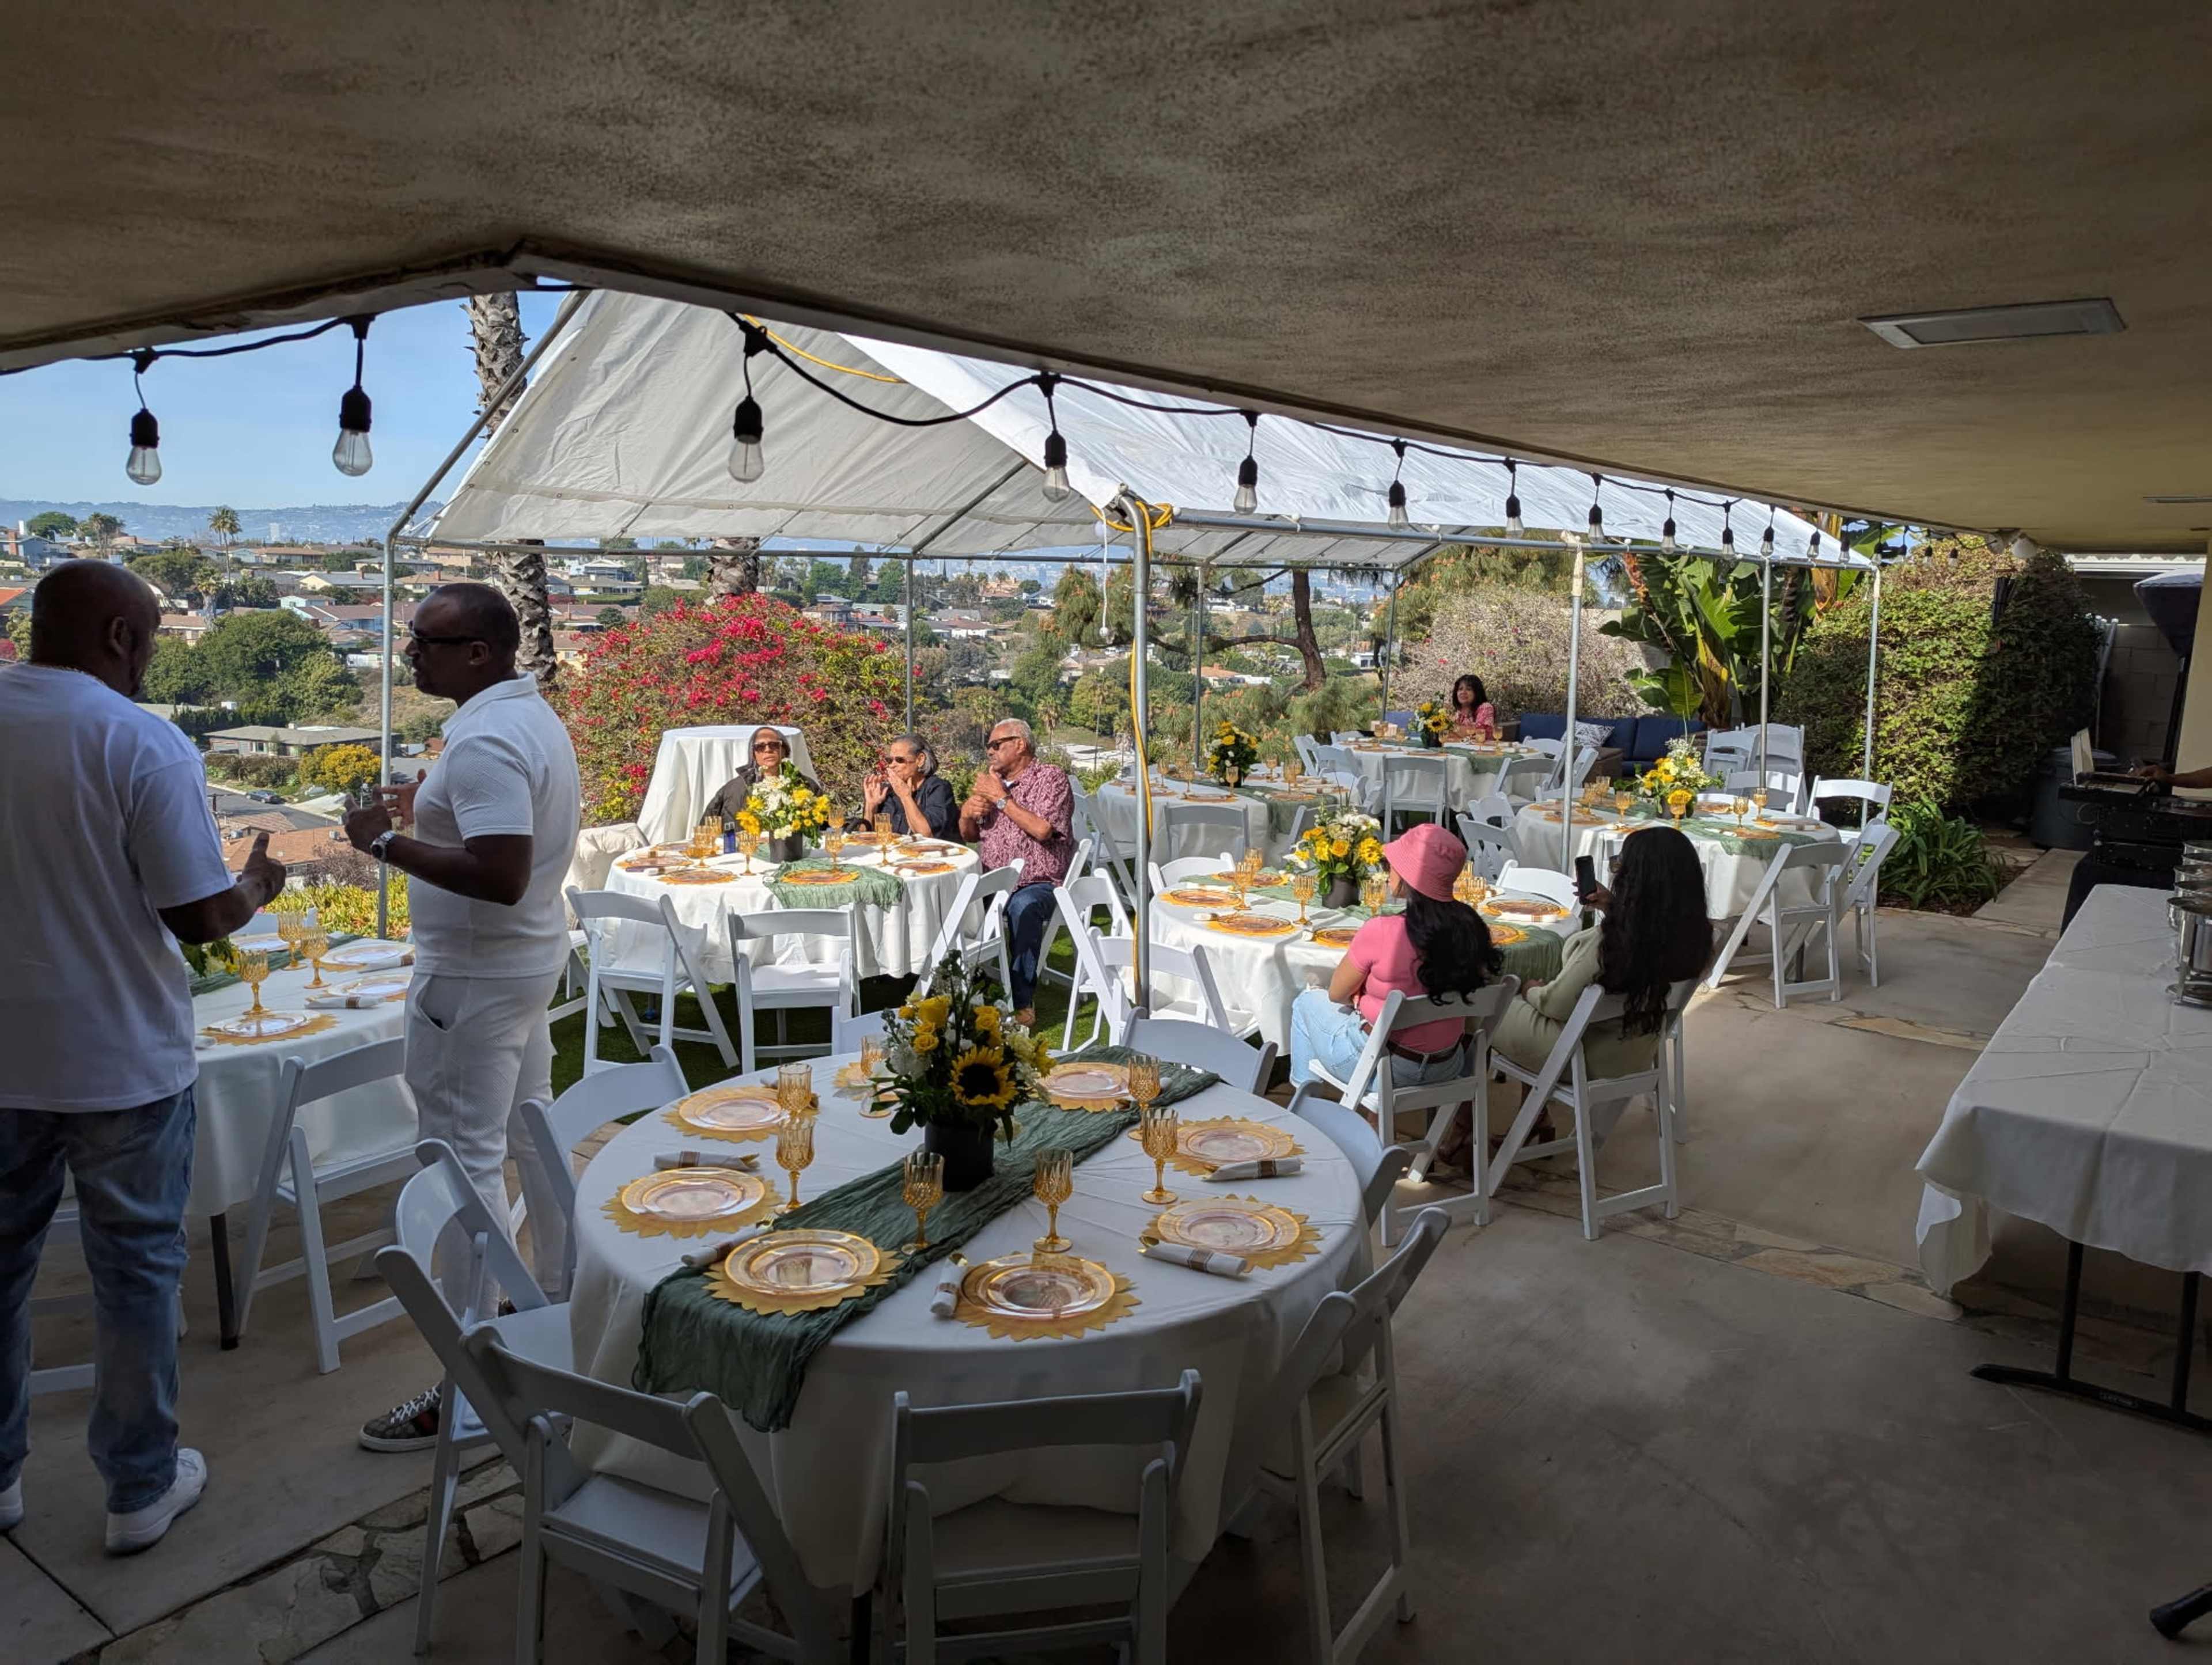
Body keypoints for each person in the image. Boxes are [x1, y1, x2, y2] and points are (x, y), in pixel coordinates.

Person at [1, 561, 287, 1554]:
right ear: (123, 634)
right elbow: (200, 914)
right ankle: (138, 1488)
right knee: (136, 1277)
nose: (155, 654)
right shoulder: (137, 741)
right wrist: (256, 888)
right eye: (155, 637)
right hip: (118, 1057)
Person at [343, 583, 579, 1455]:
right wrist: (429, 809)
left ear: (479, 652)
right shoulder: (526, 717)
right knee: (530, 1131)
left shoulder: (482, 737)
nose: (411, 653)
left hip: (476, 974)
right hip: (520, 962)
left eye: (426, 641)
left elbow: (501, 869)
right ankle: (557, 1305)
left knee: (460, 1158)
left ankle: (475, 1375)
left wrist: (379, 841)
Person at [1486, 821, 1711, 1116]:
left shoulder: (1611, 944)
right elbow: (1649, 930)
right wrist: (1614, 907)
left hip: (1581, 1054)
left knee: (1480, 1003)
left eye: (1620, 866)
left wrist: (1530, 990)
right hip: (1636, 1050)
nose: (1616, 871)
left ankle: (1463, 1128)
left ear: (1634, 880)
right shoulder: (1697, 937)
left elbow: (1554, 1004)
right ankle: (1536, 1120)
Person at [1289, 822, 1502, 1094]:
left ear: (1408, 875)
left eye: (1393, 864)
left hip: (1383, 1067)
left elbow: (1336, 994)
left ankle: (1303, 1106)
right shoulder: (1472, 930)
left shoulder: (1383, 930)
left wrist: (1361, 999)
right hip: (1448, 1064)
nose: (1388, 869)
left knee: (1306, 1002)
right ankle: (1371, 1122)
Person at [957, 718, 1074, 1026]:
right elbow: (969, 836)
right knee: (951, 899)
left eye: (996, 745)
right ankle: (958, 988)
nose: (990, 753)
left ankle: (1023, 1002)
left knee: (1025, 907)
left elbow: (1042, 829)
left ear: (1020, 744)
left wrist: (1000, 799)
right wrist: (967, 814)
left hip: (1039, 881)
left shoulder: (1051, 778)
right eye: (988, 748)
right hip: (993, 878)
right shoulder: (992, 783)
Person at [853, 733, 959, 841]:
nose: (892, 765)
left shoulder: (938, 788)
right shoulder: (887, 792)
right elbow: (864, 840)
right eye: (890, 760)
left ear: (920, 760)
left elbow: (927, 834)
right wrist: (871, 806)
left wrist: (906, 796)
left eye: (899, 760)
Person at [701, 726, 820, 822]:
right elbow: (706, 830)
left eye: (774, 745)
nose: (768, 750)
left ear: (784, 750)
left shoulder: (806, 786)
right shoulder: (733, 790)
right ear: (753, 755)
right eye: (760, 747)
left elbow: (830, 827)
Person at [1448, 673, 1497, 738]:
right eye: (1460, 689)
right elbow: (1448, 736)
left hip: (1482, 747)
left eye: (1469, 689)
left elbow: (1477, 732)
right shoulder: (1458, 713)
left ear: (1477, 692)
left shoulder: (1486, 707)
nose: (1463, 692)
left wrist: (1451, 727)